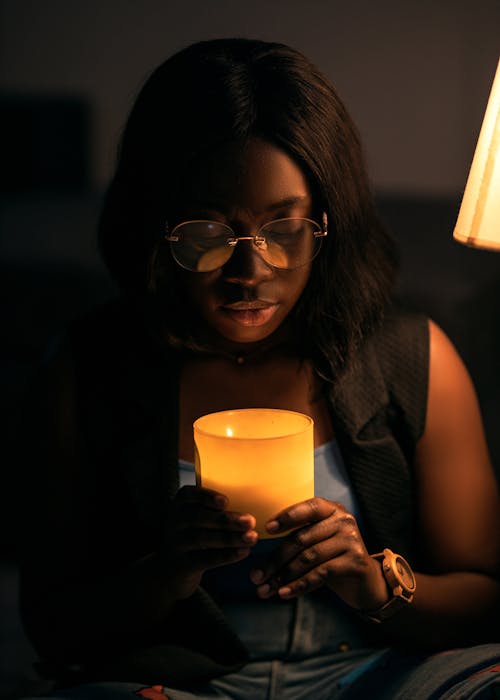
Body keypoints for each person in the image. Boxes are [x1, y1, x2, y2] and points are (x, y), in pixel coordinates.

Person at [17, 38, 500, 700]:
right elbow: (52, 625)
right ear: (154, 228)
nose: (251, 274)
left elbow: (486, 596)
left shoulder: (411, 357)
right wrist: (167, 572)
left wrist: (374, 580)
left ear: (328, 224)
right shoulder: (87, 369)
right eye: (206, 235)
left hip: (381, 672)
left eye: (284, 230)